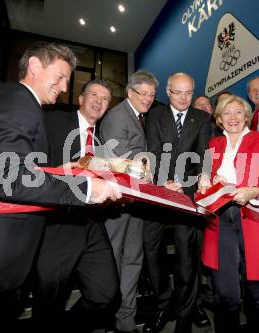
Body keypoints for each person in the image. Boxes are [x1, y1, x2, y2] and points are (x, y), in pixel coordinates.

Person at [0, 42, 120, 328]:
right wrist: (85, 188)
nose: (63, 88)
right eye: (60, 77)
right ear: (34, 66)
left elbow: (17, 167)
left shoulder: (22, 105)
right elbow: (10, 177)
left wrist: (64, 172)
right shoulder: (17, 98)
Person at [200, 94, 259, 333]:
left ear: (246, 116)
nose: (233, 117)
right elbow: (211, 180)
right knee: (225, 296)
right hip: (221, 223)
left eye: (238, 112)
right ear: (219, 119)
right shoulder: (214, 145)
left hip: (256, 218)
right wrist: (206, 181)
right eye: (226, 113)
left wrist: (253, 191)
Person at [32, 79, 119, 331]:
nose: (99, 101)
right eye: (94, 94)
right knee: (48, 302)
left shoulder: (103, 143)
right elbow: (32, 167)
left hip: (91, 223)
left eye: (104, 99)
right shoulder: (54, 121)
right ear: (80, 99)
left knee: (106, 295)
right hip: (57, 223)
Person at [143, 72, 212, 333]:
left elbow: (204, 155)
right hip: (159, 190)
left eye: (188, 93)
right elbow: (153, 151)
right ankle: (163, 304)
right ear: (168, 92)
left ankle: (184, 313)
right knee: (152, 250)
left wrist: (185, 183)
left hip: (188, 192)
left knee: (186, 258)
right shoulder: (154, 116)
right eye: (178, 92)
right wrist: (165, 181)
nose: (183, 98)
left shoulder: (202, 118)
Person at [99, 70, 159, 333]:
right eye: (142, 93)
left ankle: (125, 321)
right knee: (112, 262)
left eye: (151, 94)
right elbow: (121, 164)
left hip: (136, 202)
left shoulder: (140, 117)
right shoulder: (117, 117)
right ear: (129, 92)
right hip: (118, 203)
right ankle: (107, 319)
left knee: (132, 260)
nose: (147, 98)